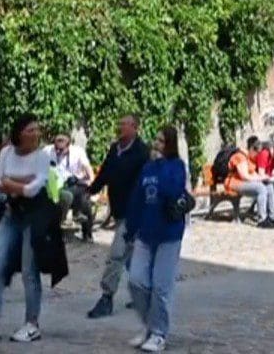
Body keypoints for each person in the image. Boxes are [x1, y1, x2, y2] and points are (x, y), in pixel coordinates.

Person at [0, 114, 55, 344]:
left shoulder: (42, 157)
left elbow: (35, 189)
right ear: (20, 133)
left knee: (28, 271)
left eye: (37, 129)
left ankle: (32, 323)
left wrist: (11, 182)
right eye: (30, 130)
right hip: (11, 215)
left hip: (34, 218)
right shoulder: (6, 153)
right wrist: (21, 183)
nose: (35, 134)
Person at [126, 125, 192, 353]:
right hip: (145, 234)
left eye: (162, 141)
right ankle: (150, 326)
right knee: (136, 281)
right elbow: (137, 200)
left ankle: (158, 333)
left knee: (161, 287)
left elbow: (172, 191)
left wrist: (161, 164)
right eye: (156, 139)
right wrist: (130, 229)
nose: (156, 144)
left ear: (170, 145)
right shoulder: (147, 168)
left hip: (168, 235)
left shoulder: (176, 167)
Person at [88, 115, 151, 320]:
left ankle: (106, 298)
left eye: (124, 124)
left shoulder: (142, 152)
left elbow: (146, 183)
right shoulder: (115, 149)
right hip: (119, 209)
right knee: (131, 257)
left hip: (134, 213)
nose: (120, 127)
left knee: (117, 253)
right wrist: (90, 189)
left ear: (134, 127)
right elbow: (105, 172)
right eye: (119, 124)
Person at [50, 132, 96, 242]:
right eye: (57, 148)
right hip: (56, 186)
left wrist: (92, 185)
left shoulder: (78, 152)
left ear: (68, 145)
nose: (58, 152)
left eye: (61, 150)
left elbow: (88, 168)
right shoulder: (48, 151)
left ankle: (87, 233)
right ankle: (76, 213)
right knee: (76, 194)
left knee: (85, 200)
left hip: (74, 184)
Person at [229, 136, 274, 228]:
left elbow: (253, 173)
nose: (257, 155)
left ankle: (273, 217)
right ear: (252, 149)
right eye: (257, 152)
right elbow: (244, 176)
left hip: (243, 183)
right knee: (261, 188)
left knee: (268, 185)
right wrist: (259, 179)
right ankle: (262, 219)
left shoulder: (249, 158)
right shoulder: (240, 157)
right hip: (235, 183)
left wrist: (264, 177)